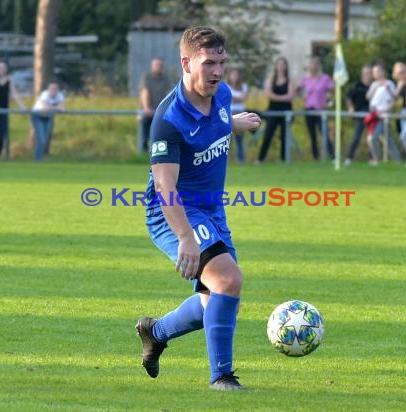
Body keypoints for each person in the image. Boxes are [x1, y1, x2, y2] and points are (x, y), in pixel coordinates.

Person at [138, 27, 260, 391]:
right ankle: (221, 377)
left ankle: (156, 332)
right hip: (173, 212)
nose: (218, 71)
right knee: (228, 281)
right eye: (209, 63)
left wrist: (235, 124)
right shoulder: (168, 120)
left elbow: (216, 123)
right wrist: (186, 238)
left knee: (222, 302)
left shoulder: (221, 95)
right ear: (186, 63)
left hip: (211, 211)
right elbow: (165, 187)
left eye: (222, 62)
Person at [257, 57, 295, 163]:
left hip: (286, 111)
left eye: (283, 64)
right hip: (272, 110)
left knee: (284, 136)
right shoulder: (271, 79)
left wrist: (277, 97)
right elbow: (268, 94)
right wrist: (283, 98)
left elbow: (291, 96)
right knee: (268, 134)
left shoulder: (289, 80)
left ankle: (284, 159)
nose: (281, 66)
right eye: (279, 64)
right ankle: (260, 159)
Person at [299, 56, 334, 160]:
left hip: (320, 110)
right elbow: (297, 90)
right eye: (312, 64)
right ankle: (316, 157)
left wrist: (330, 103)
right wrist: (302, 98)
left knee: (324, 133)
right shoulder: (305, 79)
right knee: (312, 135)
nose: (313, 66)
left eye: (316, 64)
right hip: (309, 109)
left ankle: (333, 156)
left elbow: (335, 91)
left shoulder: (325, 78)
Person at [365, 63, 400, 165]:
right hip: (374, 115)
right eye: (374, 72)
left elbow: (394, 99)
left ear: (383, 72)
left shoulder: (389, 84)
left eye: (377, 71)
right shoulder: (374, 84)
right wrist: (375, 87)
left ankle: (376, 159)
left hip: (382, 116)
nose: (375, 74)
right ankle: (396, 159)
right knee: (387, 138)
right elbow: (368, 97)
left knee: (372, 138)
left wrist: (386, 110)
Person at [139, 57, 173, 152]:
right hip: (148, 112)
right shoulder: (147, 77)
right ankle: (143, 150)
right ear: (152, 66)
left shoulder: (166, 78)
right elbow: (144, 91)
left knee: (161, 134)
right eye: (156, 65)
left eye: (160, 65)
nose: (159, 67)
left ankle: (161, 153)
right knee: (145, 132)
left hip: (161, 112)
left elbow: (170, 93)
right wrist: (146, 108)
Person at [344, 64, 372, 165]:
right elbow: (349, 97)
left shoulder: (374, 86)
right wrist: (351, 108)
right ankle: (349, 158)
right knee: (356, 137)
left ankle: (373, 158)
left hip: (372, 116)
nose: (367, 75)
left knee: (373, 138)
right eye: (366, 73)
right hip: (360, 116)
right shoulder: (357, 85)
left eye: (369, 73)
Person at [31, 82, 65, 161]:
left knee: (45, 139)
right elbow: (45, 107)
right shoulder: (44, 94)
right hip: (38, 116)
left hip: (48, 117)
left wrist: (52, 108)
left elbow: (63, 108)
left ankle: (40, 157)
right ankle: (37, 159)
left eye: (55, 89)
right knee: (41, 139)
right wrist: (56, 108)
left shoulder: (59, 95)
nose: (54, 91)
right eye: (52, 89)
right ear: (48, 89)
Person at [225, 68, 249, 162]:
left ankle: (241, 159)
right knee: (227, 139)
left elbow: (243, 97)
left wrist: (233, 97)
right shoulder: (226, 86)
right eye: (233, 74)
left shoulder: (244, 86)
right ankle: (225, 160)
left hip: (240, 112)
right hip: (229, 113)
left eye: (236, 74)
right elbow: (228, 98)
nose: (234, 76)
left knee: (240, 138)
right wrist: (237, 97)